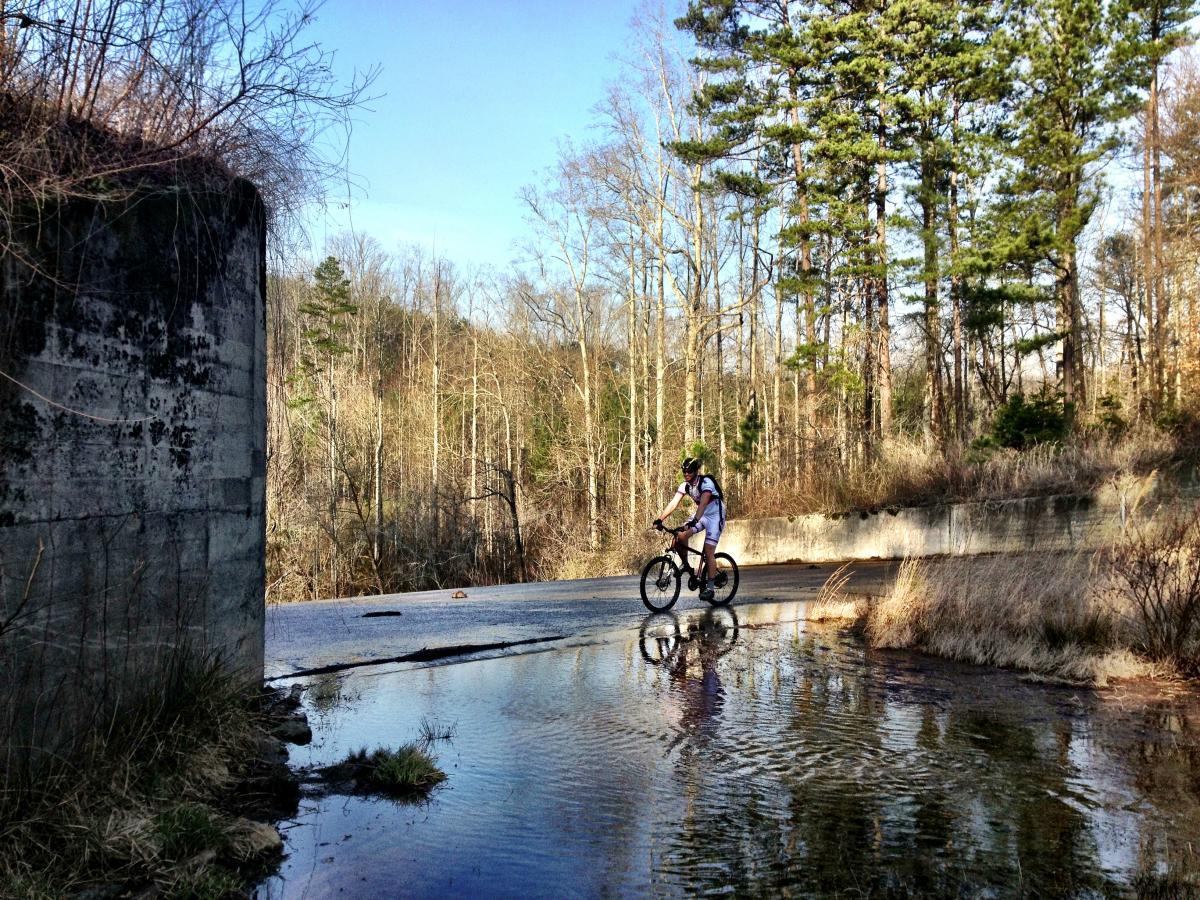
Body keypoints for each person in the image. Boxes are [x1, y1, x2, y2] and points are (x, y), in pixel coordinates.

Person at [653, 456, 726, 602]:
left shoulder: (706, 482)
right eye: (684, 471)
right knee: (680, 536)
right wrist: (660, 519)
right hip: (702, 514)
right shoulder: (685, 486)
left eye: (690, 471)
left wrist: (694, 521)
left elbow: (704, 503)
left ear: (696, 471)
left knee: (708, 551)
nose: (686, 474)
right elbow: (673, 503)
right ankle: (687, 566)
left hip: (715, 515)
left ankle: (710, 588)